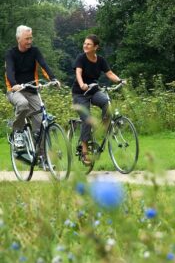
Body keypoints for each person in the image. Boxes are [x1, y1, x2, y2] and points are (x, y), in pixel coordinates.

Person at [5, 25, 60, 154]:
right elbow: (10, 72)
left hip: (32, 90)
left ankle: (42, 156)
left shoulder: (35, 51)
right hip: (14, 91)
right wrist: (14, 84)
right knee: (23, 104)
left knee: (40, 124)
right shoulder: (11, 54)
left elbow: (43, 65)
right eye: (27, 39)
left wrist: (53, 79)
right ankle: (18, 131)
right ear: (19, 39)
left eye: (31, 38)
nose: (30, 41)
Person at [72, 34, 124, 165]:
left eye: (88, 44)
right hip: (80, 93)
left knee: (107, 102)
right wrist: (82, 84)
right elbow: (78, 73)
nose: (85, 46)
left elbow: (109, 73)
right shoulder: (81, 58)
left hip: (94, 90)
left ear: (96, 47)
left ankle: (104, 128)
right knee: (87, 119)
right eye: (85, 43)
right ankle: (84, 152)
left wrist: (120, 80)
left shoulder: (100, 60)